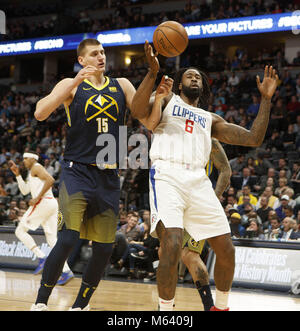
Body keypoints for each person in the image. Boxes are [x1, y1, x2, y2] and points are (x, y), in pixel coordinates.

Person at [131, 40, 278, 311]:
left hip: (198, 180)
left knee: (226, 250)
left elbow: (253, 138)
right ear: (179, 84)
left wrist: (266, 100)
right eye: (189, 75)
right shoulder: (167, 101)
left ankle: (220, 308)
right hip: (167, 174)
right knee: (172, 244)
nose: (195, 77)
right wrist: (152, 74)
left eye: (198, 76)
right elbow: (138, 111)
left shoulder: (209, 118)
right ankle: (166, 311)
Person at [31, 38, 138, 311]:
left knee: (104, 248)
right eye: (94, 53)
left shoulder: (122, 85)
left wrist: (157, 91)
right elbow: (40, 112)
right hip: (76, 171)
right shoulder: (71, 84)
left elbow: (145, 115)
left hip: (109, 177)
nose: (101, 56)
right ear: (82, 60)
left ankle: (80, 306)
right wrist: (74, 82)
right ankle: (41, 303)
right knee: (68, 238)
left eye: (103, 52)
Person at [181, 138, 232, 311]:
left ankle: (210, 306)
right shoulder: (171, 133)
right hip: (173, 200)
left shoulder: (208, 139)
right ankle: (164, 304)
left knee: (190, 255)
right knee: (166, 252)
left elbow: (226, 170)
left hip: (198, 203)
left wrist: (214, 197)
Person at [8, 154, 73, 283]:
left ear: (33, 159)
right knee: (52, 240)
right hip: (50, 204)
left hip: (43, 202)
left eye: (26, 158)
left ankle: (41, 257)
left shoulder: (36, 167)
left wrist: (37, 197)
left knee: (19, 231)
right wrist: (17, 175)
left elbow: (50, 180)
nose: (24, 161)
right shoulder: (31, 172)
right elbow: (25, 191)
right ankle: (66, 271)